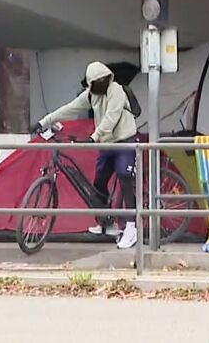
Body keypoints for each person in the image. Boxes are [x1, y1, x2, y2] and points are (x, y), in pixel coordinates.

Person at [34, 61, 140, 250]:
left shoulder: (116, 90)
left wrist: (93, 137)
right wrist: (43, 122)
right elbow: (69, 108)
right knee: (99, 183)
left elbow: (111, 117)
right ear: (91, 84)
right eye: (97, 83)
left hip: (125, 140)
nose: (101, 85)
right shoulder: (91, 94)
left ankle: (132, 227)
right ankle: (106, 222)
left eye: (103, 80)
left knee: (124, 177)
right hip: (106, 143)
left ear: (108, 78)